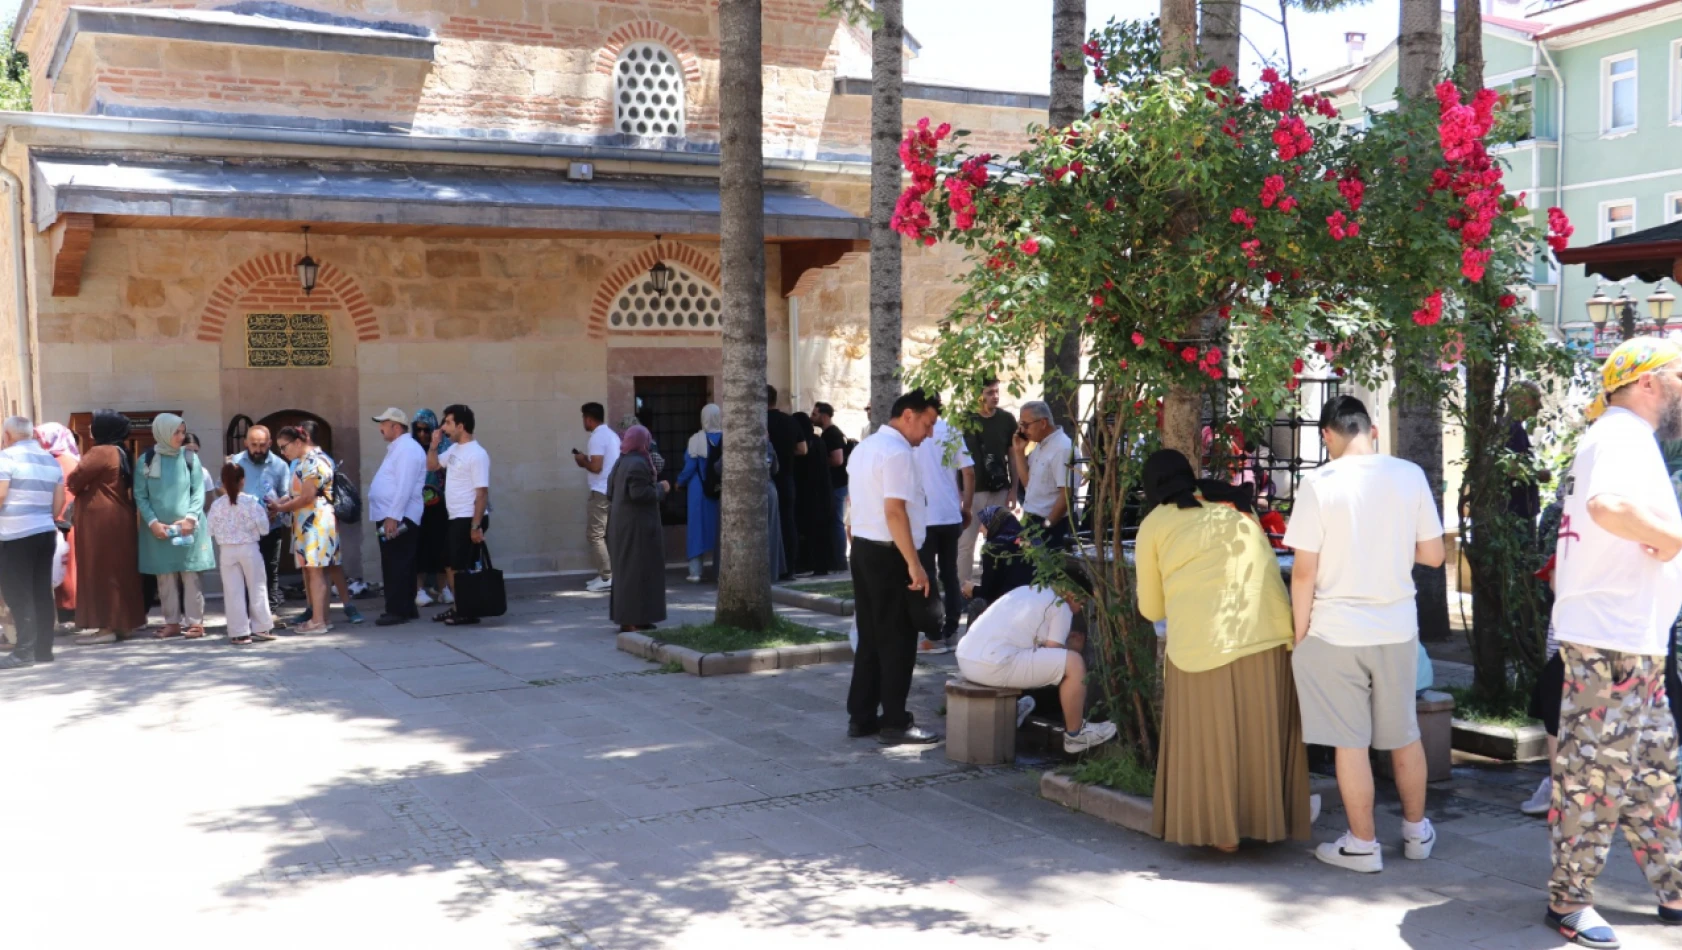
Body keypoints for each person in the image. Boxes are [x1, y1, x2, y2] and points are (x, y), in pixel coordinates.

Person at [1541, 338, 1682, 948]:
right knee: (1594, 775)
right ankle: (1569, 902)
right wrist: (1673, 537)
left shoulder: (1620, 435)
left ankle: (1674, 889)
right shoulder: (1622, 435)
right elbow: (1608, 507)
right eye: (1679, 373)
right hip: (1612, 641)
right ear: (1647, 382)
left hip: (1628, 638)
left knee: (1653, 774)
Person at [1284, 395, 1444, 875]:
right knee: (1405, 734)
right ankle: (1416, 832)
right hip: (1395, 625)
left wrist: (1300, 634)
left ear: (1328, 435)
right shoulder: (1409, 475)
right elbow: (1435, 556)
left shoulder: (1318, 483)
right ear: (1372, 430)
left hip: (1335, 630)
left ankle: (1363, 843)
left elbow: (1303, 573)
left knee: (1348, 742)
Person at [1134, 449, 1312, 851]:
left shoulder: (1155, 524)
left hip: (1204, 645)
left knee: (1212, 740)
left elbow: (1151, 608)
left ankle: (1222, 835)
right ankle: (1265, 822)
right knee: (1258, 735)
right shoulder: (1236, 508)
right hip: (1269, 638)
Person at [846, 388, 941, 746]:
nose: (929, 433)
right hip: (891, 553)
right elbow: (895, 511)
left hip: (866, 550)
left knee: (870, 634)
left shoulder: (865, 447)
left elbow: (857, 505)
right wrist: (914, 565)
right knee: (899, 639)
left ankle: (862, 715)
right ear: (908, 416)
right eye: (927, 424)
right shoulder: (898, 452)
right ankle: (895, 722)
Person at [955, 567, 1118, 753]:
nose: (1080, 609)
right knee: (1074, 663)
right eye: (1082, 602)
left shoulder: (1025, 590)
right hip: (993, 665)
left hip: (967, 659)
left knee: (1025, 651)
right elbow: (1054, 654)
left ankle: (1014, 710)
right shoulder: (1060, 606)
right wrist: (1073, 650)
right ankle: (1076, 735)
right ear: (1072, 594)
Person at [66, 410, 146, 643]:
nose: (90, 429)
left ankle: (106, 627)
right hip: (119, 517)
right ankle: (123, 623)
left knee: (100, 570)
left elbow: (74, 480)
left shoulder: (101, 451)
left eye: (94, 425)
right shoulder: (121, 451)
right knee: (119, 570)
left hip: (99, 522)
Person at [135, 413, 215, 639]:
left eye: (182, 432)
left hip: (188, 528)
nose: (181, 437)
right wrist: (152, 523)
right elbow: (141, 496)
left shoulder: (190, 458)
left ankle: (195, 623)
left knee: (190, 575)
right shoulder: (147, 460)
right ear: (162, 432)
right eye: (176, 432)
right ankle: (171, 623)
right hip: (158, 530)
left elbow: (198, 492)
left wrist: (190, 518)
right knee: (165, 576)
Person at [0, 416, 67, 669]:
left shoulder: (6, 458)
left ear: (7, 435)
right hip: (44, 531)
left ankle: (24, 651)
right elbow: (58, 503)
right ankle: (43, 650)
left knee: (18, 593)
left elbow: (1, 494)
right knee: (41, 592)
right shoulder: (50, 460)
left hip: (15, 534)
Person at [913, 395, 973, 653]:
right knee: (949, 573)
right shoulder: (951, 430)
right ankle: (951, 631)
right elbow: (968, 471)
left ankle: (934, 634)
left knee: (928, 575)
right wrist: (966, 507)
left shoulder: (914, 432)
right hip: (950, 513)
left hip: (925, 516)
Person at [269, 424, 338, 635]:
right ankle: (322, 618)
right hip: (308, 521)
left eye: (284, 447)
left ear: (298, 442)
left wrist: (281, 507)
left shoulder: (314, 461)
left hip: (316, 521)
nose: (282, 452)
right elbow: (297, 494)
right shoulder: (304, 462)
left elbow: (307, 496)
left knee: (316, 571)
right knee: (315, 570)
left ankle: (318, 621)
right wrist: (280, 502)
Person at [428, 404, 490, 626]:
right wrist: (433, 446)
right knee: (448, 563)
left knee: (458, 567)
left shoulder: (477, 454)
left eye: (447, 422)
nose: (444, 427)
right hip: (454, 517)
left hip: (467, 517)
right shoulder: (453, 450)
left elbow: (482, 493)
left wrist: (475, 526)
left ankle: (466, 610)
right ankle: (459, 607)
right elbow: (432, 465)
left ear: (461, 426)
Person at [607, 425, 670, 632]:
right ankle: (633, 620)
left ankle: (635, 618)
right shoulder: (638, 463)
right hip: (637, 528)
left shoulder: (621, 461)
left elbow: (610, 492)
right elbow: (639, 494)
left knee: (630, 572)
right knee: (636, 573)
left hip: (622, 525)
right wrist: (661, 488)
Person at [368, 407, 426, 626]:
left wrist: (393, 516)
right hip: (393, 515)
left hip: (399, 517)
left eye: (383, 423)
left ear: (396, 426)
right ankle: (406, 607)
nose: (380, 428)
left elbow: (404, 486)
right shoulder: (399, 448)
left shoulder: (407, 449)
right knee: (400, 563)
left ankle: (397, 610)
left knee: (396, 564)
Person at [207, 462, 276, 645]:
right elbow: (264, 529)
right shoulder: (251, 502)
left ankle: (239, 632)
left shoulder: (217, 505)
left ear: (222, 481)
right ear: (243, 481)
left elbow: (210, 530)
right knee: (257, 587)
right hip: (249, 548)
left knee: (232, 591)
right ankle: (261, 626)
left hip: (227, 550)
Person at [227, 424, 292, 614]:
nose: (258, 449)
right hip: (242, 529)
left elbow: (287, 493)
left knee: (269, 570)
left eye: (262, 445)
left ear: (270, 443)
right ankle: (246, 614)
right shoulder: (235, 462)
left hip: (271, 526)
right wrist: (238, 500)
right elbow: (221, 488)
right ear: (246, 442)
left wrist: (277, 506)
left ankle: (269, 613)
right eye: (254, 445)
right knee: (243, 571)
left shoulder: (280, 465)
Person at [960, 379, 1016, 588]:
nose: (995, 396)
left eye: (997, 391)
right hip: (970, 493)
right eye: (990, 392)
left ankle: (995, 587)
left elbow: (1013, 456)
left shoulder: (1006, 420)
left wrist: (1014, 489)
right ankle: (962, 589)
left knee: (998, 542)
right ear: (978, 395)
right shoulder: (964, 420)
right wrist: (958, 493)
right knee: (966, 544)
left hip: (999, 489)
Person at [1012, 400, 1075, 548]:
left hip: (1051, 524)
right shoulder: (1041, 445)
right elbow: (1029, 484)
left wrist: (1047, 525)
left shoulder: (1062, 448)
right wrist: (1019, 453)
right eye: (1020, 425)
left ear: (1043, 423)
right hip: (1032, 519)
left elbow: (1066, 494)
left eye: (1026, 425)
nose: (1022, 430)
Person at [35, 423, 79, 620]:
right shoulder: (71, 459)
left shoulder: (56, 461)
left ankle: (67, 611)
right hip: (68, 521)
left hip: (61, 521)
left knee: (63, 568)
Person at [411, 409, 454, 608]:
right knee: (420, 547)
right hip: (417, 506)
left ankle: (443, 588)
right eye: (418, 430)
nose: (422, 434)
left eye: (426, 430)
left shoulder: (445, 447)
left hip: (441, 505)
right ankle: (419, 590)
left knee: (442, 547)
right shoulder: (410, 448)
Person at [677, 403, 722, 583]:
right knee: (720, 529)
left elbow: (690, 467)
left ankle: (695, 571)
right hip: (720, 489)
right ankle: (720, 569)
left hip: (698, 489)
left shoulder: (696, 440)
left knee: (697, 529)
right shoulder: (728, 438)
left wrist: (679, 482)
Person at [576, 402, 618, 592]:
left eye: (584, 417)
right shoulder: (610, 435)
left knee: (595, 535)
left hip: (601, 492)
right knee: (603, 535)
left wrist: (582, 460)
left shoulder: (597, 437)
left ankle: (607, 576)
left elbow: (596, 467)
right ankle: (605, 574)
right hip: (610, 491)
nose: (583, 421)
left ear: (589, 419)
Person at [965, 504, 1036, 611]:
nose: (980, 529)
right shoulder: (1030, 542)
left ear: (994, 524)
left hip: (1008, 605)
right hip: (1035, 601)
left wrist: (972, 590)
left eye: (984, 523)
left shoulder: (993, 548)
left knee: (976, 605)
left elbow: (988, 592)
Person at [792, 411, 837, 576]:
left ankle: (808, 563)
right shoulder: (818, 441)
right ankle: (823, 564)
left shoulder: (804, 445)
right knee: (822, 530)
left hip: (808, 493)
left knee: (809, 529)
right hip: (823, 491)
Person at [766, 385, 804, 579]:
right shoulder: (790, 422)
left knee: (767, 525)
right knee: (788, 522)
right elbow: (803, 449)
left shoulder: (758, 422)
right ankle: (790, 568)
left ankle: (770, 567)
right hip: (787, 477)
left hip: (766, 479)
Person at [813, 402, 850, 568]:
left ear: (824, 416)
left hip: (837, 484)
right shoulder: (829, 433)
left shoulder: (832, 434)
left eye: (814, 414)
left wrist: (820, 460)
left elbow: (837, 459)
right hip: (836, 484)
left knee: (836, 521)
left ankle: (840, 561)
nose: (812, 417)